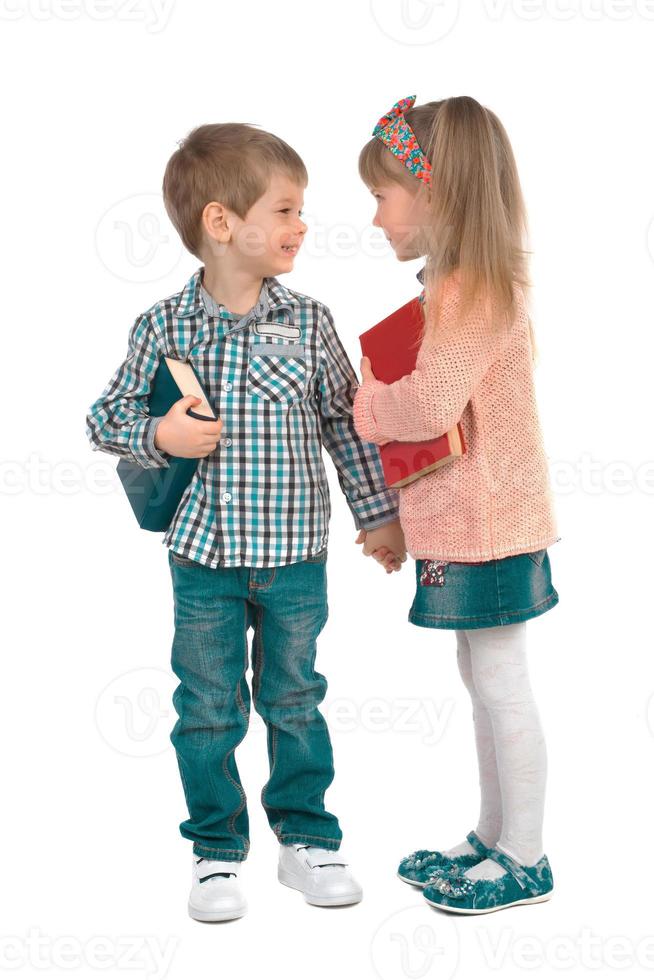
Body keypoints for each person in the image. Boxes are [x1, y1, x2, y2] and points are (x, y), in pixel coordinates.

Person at [85, 122, 406, 921]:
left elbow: (346, 425)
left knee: (295, 697)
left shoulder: (309, 322)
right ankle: (216, 853)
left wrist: (379, 518)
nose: (304, 225)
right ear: (222, 223)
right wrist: (160, 434)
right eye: (288, 209)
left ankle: (306, 839)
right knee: (207, 706)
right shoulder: (164, 325)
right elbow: (105, 416)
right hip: (202, 559)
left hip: (296, 554)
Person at [353, 95, 561, 915]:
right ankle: (493, 835)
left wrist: (369, 402)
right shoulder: (452, 286)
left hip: (492, 523)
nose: (374, 217)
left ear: (431, 194)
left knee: (502, 680)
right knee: (482, 676)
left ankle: (527, 855)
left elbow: (433, 407)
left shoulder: (473, 289)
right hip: (465, 521)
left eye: (382, 195)